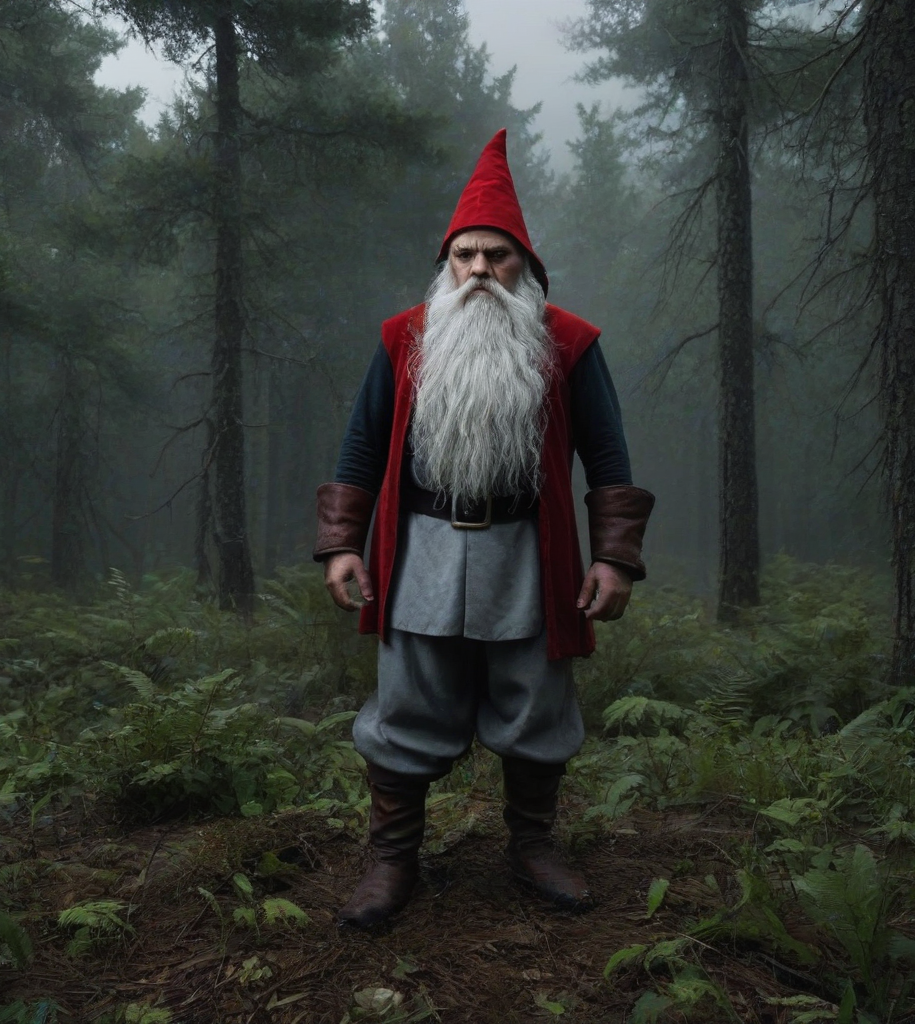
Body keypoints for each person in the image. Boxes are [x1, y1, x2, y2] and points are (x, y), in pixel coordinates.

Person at [314, 129, 654, 930]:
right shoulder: (404, 338)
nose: (477, 271)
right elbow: (362, 446)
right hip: (422, 551)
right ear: (447, 265)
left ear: (523, 267)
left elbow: (607, 454)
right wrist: (341, 544)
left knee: (535, 703)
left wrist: (614, 558)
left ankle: (532, 846)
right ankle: (393, 859)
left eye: (495, 256)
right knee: (408, 703)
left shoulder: (568, 342)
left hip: (529, 552)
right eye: (464, 255)